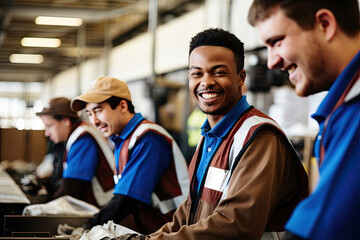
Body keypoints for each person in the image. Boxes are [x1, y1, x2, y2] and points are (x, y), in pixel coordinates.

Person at [117, 28, 308, 240]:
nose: (206, 82)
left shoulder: (260, 138)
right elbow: (189, 211)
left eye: (219, 72)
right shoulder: (210, 137)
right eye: (196, 73)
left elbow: (236, 225)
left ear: (240, 77)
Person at [247, 0, 360, 239]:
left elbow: (320, 231)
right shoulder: (339, 110)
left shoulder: (355, 113)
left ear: (325, 24)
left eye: (277, 41)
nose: (271, 62)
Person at [70, 77, 189, 234]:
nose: (94, 121)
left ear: (123, 106)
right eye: (89, 114)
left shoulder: (148, 139)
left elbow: (126, 200)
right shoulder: (123, 139)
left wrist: (88, 227)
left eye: (98, 111)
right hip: (153, 230)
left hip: (173, 232)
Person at [36, 97, 115, 208]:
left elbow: (71, 189)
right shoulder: (74, 137)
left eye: (49, 126)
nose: (46, 133)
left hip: (101, 210)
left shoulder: (82, 139)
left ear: (66, 122)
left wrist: (43, 208)